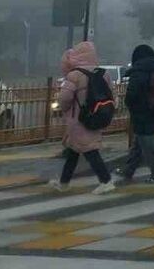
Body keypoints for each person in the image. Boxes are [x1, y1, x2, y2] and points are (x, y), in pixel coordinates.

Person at [48, 41, 115, 194]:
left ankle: (106, 181)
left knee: (89, 150)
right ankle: (64, 182)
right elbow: (112, 94)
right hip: (97, 115)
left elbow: (64, 99)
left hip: (79, 119)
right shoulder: (103, 74)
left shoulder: (74, 75)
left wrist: (65, 109)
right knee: (73, 150)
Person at [117, 44, 154, 183]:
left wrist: (131, 106)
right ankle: (128, 169)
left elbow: (131, 96)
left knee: (149, 144)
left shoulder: (138, 73)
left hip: (142, 113)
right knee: (139, 143)